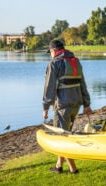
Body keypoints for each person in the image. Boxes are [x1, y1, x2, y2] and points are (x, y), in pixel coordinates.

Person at [43, 40, 92, 174]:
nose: (50, 55)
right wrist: (86, 104)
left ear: (54, 51)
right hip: (76, 104)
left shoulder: (54, 64)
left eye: (50, 52)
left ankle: (73, 169)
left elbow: (49, 87)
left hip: (63, 106)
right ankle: (59, 166)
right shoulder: (75, 61)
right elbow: (83, 84)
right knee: (65, 134)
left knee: (61, 137)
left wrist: (45, 106)